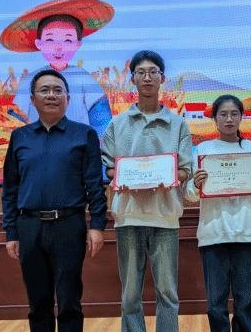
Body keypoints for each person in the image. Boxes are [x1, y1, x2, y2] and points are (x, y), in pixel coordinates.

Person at [1, 69, 108, 332]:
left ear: (67, 99)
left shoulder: (84, 135)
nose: (51, 95)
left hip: (69, 226)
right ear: (33, 99)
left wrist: (97, 226)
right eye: (44, 90)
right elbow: (10, 188)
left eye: (58, 90)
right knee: (38, 304)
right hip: (29, 227)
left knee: (70, 302)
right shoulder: (19, 137)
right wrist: (11, 232)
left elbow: (95, 185)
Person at [101, 50, 193, 332]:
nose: (147, 77)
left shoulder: (178, 124)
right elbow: (109, 169)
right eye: (141, 72)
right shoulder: (117, 123)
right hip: (128, 215)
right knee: (130, 295)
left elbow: (185, 169)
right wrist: (121, 178)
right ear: (133, 79)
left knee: (168, 293)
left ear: (162, 78)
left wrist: (170, 177)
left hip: (165, 216)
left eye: (153, 72)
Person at [185, 95, 251, 332]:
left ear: (241, 117)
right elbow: (190, 194)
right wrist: (196, 184)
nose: (229, 119)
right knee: (215, 304)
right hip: (213, 233)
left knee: (245, 303)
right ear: (215, 119)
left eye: (234, 114)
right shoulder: (203, 150)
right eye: (223, 114)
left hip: (247, 232)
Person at [0, 0, 114, 136]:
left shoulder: (82, 77)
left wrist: (98, 144)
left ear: (77, 45)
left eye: (67, 40)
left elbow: (101, 116)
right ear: (39, 44)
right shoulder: (30, 80)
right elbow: (15, 119)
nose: (58, 47)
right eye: (50, 40)